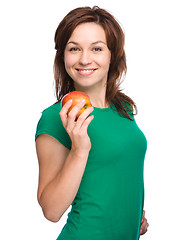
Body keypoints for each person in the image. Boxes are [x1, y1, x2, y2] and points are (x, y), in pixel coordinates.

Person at [35, 6, 149, 240]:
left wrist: (130, 214)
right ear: (63, 56)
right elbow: (51, 210)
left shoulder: (123, 108)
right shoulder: (57, 117)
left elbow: (116, 175)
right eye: (74, 48)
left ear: (112, 54)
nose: (84, 59)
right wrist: (80, 149)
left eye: (96, 48)